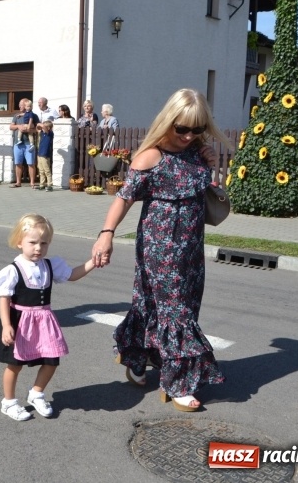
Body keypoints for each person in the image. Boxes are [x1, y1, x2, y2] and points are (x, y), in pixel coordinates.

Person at [91, 88, 228, 412]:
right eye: (182, 128)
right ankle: (178, 382)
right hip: (159, 247)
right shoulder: (150, 157)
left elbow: (208, 192)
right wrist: (106, 234)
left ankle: (139, 357)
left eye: (197, 129)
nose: (189, 135)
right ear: (168, 122)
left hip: (192, 248)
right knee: (176, 311)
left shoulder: (197, 152)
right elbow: (123, 198)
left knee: (163, 305)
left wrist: (212, 167)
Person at [0, 214, 96, 421]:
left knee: (51, 360)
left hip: (44, 321)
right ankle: (9, 402)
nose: (38, 248)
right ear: (19, 242)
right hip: (20, 322)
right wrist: (6, 325)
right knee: (15, 364)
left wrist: (93, 263)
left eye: (44, 243)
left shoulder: (50, 265)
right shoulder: (13, 270)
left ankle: (36, 393)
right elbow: (4, 298)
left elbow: (72, 275)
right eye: (32, 242)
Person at [9, 98, 39, 189]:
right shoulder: (16, 116)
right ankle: (18, 182)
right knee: (18, 163)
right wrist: (18, 126)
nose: (19, 106)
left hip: (29, 144)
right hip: (18, 144)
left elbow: (38, 129)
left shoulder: (34, 115)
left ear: (27, 106)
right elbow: (11, 126)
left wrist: (30, 129)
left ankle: (32, 183)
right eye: (20, 104)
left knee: (31, 163)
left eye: (21, 105)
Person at [37, 120, 54, 192]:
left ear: (49, 128)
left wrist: (41, 124)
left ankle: (50, 185)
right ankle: (42, 184)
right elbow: (38, 128)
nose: (43, 128)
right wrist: (39, 126)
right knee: (41, 170)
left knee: (47, 170)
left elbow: (42, 126)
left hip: (45, 154)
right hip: (40, 153)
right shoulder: (42, 133)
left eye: (45, 127)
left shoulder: (50, 133)